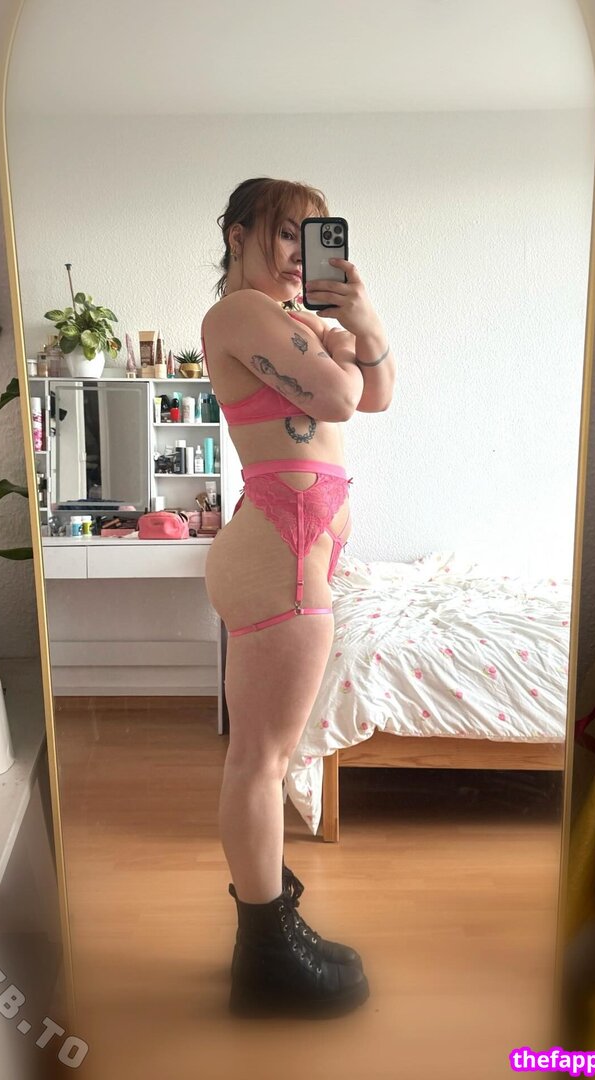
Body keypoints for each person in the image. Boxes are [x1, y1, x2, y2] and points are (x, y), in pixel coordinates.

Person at [201, 178, 396, 1018]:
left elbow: (378, 393)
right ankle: (265, 957)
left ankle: (271, 923)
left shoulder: (296, 323)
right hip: (276, 550)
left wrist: (363, 321)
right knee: (260, 760)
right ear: (239, 235)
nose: (296, 256)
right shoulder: (239, 315)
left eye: (310, 239)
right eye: (285, 234)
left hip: (290, 545)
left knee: (265, 757)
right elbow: (345, 396)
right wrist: (341, 347)